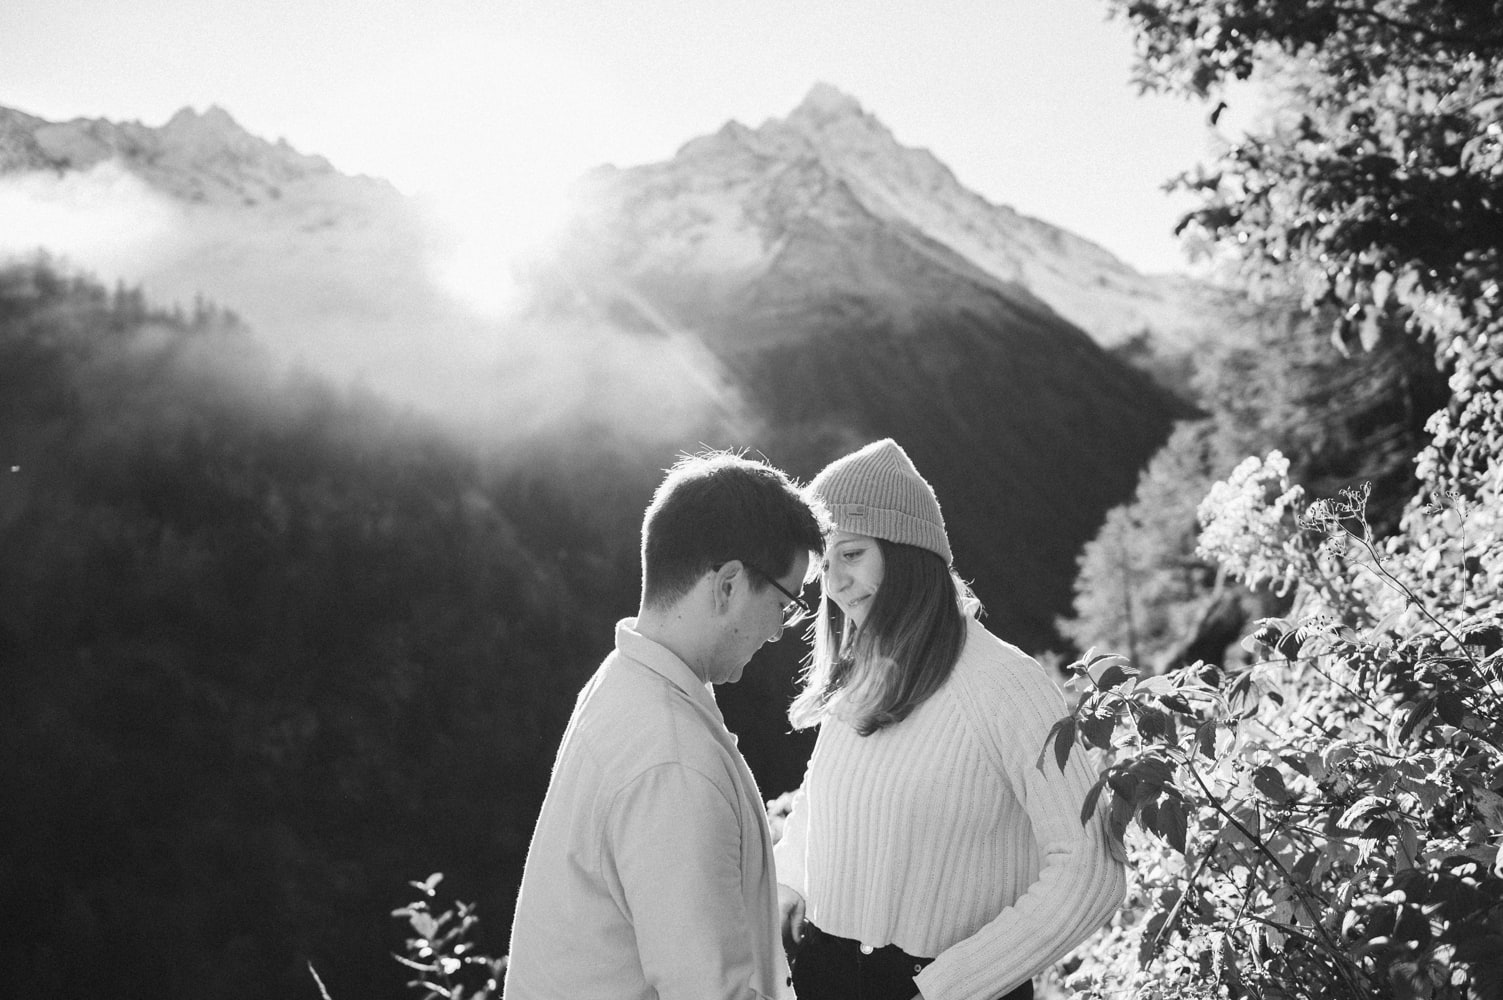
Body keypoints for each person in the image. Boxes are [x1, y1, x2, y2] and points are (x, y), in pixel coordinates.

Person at [774, 439, 1125, 1000]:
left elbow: (1090, 871)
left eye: (853, 553)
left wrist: (950, 988)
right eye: (827, 561)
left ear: (908, 550)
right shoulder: (862, 668)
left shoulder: (1007, 684)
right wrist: (791, 876)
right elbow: (827, 791)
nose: (834, 584)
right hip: (826, 975)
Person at [504, 450, 828, 1000]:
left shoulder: (620, 683)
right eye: (785, 603)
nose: (780, 632)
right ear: (728, 584)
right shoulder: (673, 762)